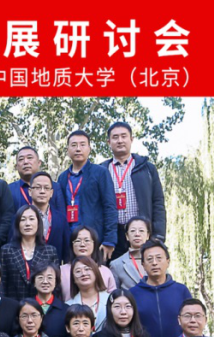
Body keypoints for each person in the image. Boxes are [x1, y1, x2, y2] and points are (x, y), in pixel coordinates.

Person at [102, 121, 167, 259]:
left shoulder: (147, 168)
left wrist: (158, 236)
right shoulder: (101, 170)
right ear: (109, 142)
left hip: (141, 233)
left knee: (144, 270)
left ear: (131, 139)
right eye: (115, 137)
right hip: (112, 236)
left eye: (124, 136)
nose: (120, 140)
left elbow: (158, 203)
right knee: (113, 270)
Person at [58, 130, 118, 260]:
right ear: (68, 150)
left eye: (82, 144)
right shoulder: (62, 177)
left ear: (89, 149)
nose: (78, 149)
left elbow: (110, 206)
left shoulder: (100, 173)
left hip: (95, 239)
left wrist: (109, 239)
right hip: (70, 240)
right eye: (74, 145)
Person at [129, 240, 192, 337]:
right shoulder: (133, 293)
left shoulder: (181, 291)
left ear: (168, 261)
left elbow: (191, 321)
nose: (154, 263)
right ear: (143, 264)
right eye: (149, 259)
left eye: (159, 258)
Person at [11, 165, 71, 264]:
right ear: (30, 191)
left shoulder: (61, 219)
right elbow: (12, 247)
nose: (42, 191)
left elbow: (67, 252)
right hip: (26, 269)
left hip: (53, 270)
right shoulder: (20, 217)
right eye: (38, 187)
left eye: (46, 188)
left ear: (51, 193)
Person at [0, 205, 59, 300]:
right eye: (23, 220)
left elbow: (56, 285)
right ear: (17, 224)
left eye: (31, 219)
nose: (27, 223)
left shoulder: (50, 251)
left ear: (38, 223)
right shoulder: (6, 251)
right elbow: (2, 284)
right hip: (14, 305)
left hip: (41, 305)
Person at [60, 225, 118, 299]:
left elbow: (113, 298)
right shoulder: (62, 271)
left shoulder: (105, 271)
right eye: (78, 241)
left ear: (95, 244)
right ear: (72, 245)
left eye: (87, 240)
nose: (82, 244)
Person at [64, 255, 111, 332]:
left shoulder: (110, 300)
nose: (83, 273)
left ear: (96, 272)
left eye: (87, 269)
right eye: (78, 271)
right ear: (73, 279)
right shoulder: (68, 306)